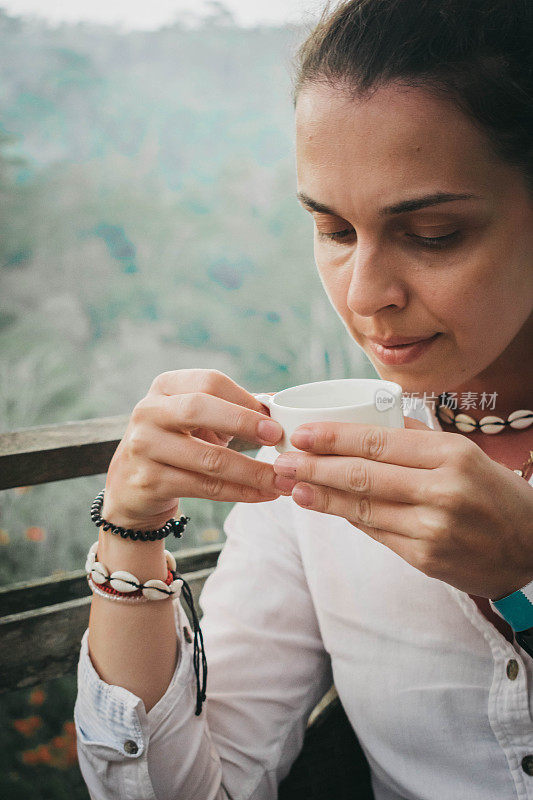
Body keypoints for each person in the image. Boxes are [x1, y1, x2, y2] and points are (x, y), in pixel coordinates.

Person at [74, 1, 533, 798]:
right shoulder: (309, 473)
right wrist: (130, 528)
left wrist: (524, 574)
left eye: (431, 234)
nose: (364, 296)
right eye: (333, 230)